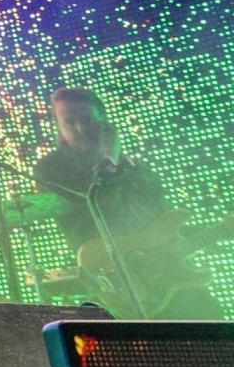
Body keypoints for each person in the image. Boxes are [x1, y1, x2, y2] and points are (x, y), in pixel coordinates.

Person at [34, 87, 220, 319]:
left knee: (212, 324)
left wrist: (219, 231)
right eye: (70, 122)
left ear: (105, 123)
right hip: (112, 279)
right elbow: (101, 206)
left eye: (87, 119)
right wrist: (109, 160)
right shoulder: (51, 168)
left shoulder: (135, 168)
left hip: (167, 274)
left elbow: (161, 221)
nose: (80, 129)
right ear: (59, 129)